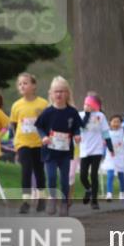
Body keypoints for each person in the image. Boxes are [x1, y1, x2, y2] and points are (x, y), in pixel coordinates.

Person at [35, 76, 82, 216]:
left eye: (62, 91)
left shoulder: (72, 112)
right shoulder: (47, 112)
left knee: (64, 179)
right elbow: (39, 127)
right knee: (51, 177)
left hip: (65, 152)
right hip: (49, 151)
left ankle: (64, 203)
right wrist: (43, 137)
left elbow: (76, 127)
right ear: (51, 93)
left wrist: (77, 135)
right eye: (56, 91)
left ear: (67, 93)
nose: (59, 94)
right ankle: (52, 199)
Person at [10, 72, 49, 214]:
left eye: (25, 83)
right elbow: (14, 125)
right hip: (23, 142)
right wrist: (17, 141)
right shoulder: (16, 105)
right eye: (19, 84)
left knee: (39, 171)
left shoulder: (43, 104)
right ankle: (26, 200)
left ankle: (41, 199)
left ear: (33, 86)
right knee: (26, 170)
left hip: (39, 143)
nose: (22, 86)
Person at [78, 92, 112, 209]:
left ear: (95, 106)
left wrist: (110, 147)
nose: (86, 106)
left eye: (89, 104)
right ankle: (88, 189)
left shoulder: (100, 116)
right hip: (84, 150)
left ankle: (94, 200)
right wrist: (87, 114)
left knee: (94, 175)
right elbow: (81, 126)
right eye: (85, 104)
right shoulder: (80, 115)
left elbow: (106, 133)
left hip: (97, 149)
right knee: (82, 175)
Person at [105, 114, 124, 201]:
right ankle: (109, 193)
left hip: (120, 157)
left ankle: (122, 193)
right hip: (110, 157)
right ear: (110, 123)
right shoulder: (107, 132)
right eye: (114, 122)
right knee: (110, 175)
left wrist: (122, 122)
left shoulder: (122, 130)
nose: (116, 123)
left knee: (121, 176)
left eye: (118, 122)